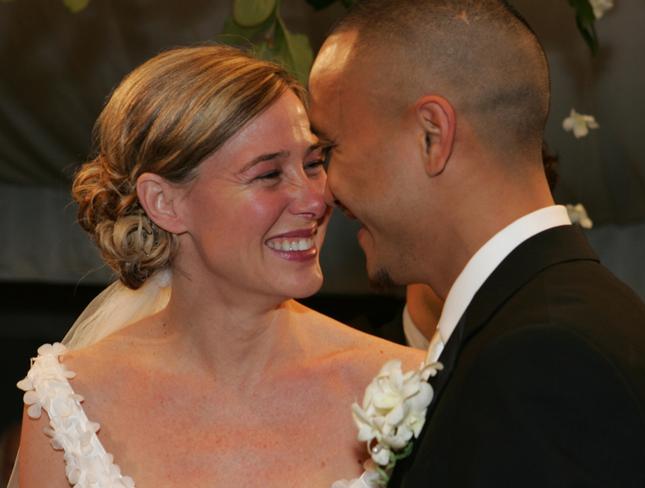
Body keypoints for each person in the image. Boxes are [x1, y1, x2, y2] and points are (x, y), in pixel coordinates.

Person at [14, 45, 424, 487]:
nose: (315, 199)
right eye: (268, 175)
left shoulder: (403, 388)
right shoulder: (69, 403)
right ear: (164, 203)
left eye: (313, 164)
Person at [308, 1, 645, 486]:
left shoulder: (543, 360)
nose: (323, 190)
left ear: (432, 135)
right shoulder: (549, 320)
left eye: (328, 150)